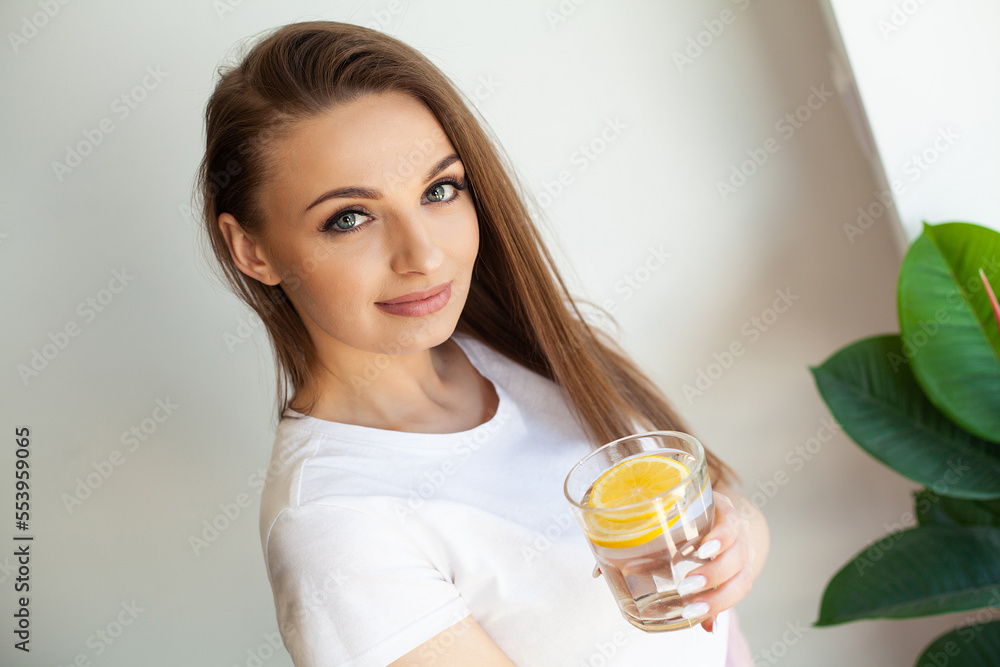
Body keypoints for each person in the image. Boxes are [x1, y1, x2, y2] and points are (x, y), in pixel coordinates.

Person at [197, 20, 768, 667]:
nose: (423, 254)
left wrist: (738, 534)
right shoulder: (334, 527)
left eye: (439, 190)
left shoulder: (512, 340)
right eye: (349, 218)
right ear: (252, 248)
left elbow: (709, 497)